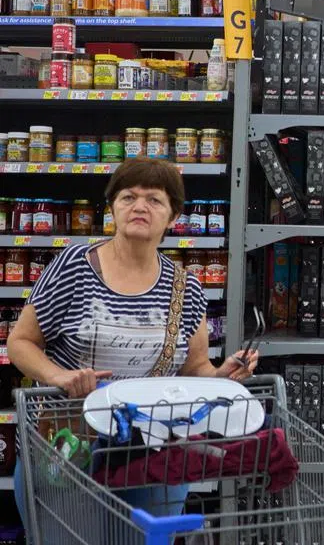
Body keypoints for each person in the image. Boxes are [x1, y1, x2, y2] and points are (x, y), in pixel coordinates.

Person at [8, 158, 259, 527]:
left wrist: (225, 374)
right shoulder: (75, 265)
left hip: (152, 452)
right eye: (128, 197)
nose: (139, 206)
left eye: (155, 200)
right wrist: (59, 376)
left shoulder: (185, 288)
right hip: (71, 443)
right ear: (113, 208)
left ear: (173, 216)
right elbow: (21, 342)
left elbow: (194, 370)